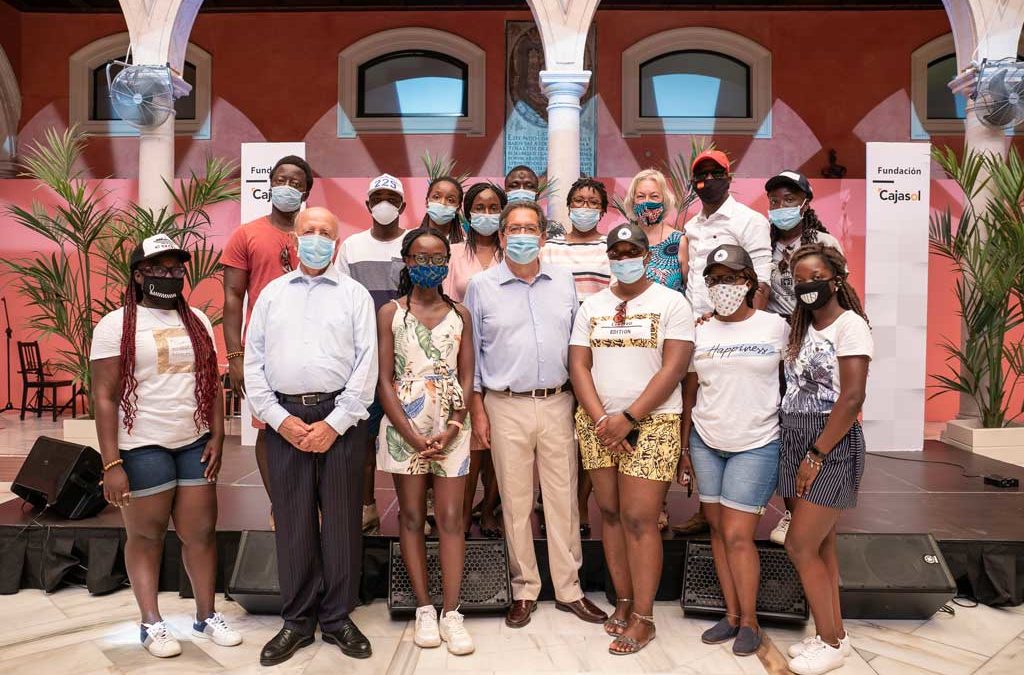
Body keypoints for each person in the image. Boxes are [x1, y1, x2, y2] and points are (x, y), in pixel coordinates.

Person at [91, 234, 242, 659]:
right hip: (140, 447)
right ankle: (151, 622)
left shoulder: (194, 318)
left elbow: (210, 384)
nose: (169, 275)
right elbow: (103, 395)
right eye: (158, 268)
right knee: (146, 536)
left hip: (191, 441)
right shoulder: (115, 325)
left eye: (176, 268)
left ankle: (205, 614)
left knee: (200, 534)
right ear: (139, 275)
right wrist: (111, 462)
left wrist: (217, 435)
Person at [465, 200, 606, 628]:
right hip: (503, 403)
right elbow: (471, 354)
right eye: (515, 229)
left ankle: (569, 589)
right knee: (515, 501)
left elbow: (581, 346)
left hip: (559, 401)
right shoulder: (481, 286)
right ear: (502, 236)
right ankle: (525, 588)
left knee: (562, 499)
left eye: (531, 229)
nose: (523, 236)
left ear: (543, 237)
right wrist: (477, 410)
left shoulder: (564, 282)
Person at [246, 207, 378, 666]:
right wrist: (278, 419)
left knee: (342, 521)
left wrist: (335, 423)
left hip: (340, 416)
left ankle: (339, 617)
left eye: (326, 232)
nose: (317, 239)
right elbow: (253, 363)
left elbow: (367, 365)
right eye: (310, 232)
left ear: (336, 243)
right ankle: (297, 621)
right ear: (295, 240)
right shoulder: (271, 295)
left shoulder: (355, 295)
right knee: (294, 522)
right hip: (285, 417)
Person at [569, 222, 694, 655]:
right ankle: (623, 601)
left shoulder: (671, 302)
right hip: (598, 423)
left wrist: (630, 417)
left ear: (645, 254)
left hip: (653, 422)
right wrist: (605, 418)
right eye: (616, 252)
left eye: (631, 250)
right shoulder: (592, 306)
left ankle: (644, 617)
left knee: (641, 518)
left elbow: (673, 368)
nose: (623, 259)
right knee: (610, 512)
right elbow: (579, 366)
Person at [679, 244, 788, 657]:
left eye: (730, 278)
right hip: (706, 441)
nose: (721, 286)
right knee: (720, 534)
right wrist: (685, 449)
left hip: (756, 442)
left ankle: (751, 620)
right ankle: (731, 614)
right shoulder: (699, 330)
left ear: (748, 282)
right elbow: (690, 392)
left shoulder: (774, 327)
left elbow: (792, 382)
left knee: (740, 536)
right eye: (714, 279)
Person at [377, 228, 476, 656]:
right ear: (407, 261)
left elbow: (468, 376)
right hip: (405, 428)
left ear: (447, 264)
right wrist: (411, 434)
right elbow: (383, 380)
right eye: (420, 257)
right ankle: (424, 608)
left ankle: (452, 612)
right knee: (413, 516)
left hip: (452, 426)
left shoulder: (462, 314)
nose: (429, 265)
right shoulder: (390, 313)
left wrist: (453, 425)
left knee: (452, 517)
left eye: (438, 258)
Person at [777, 244, 871, 675]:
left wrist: (816, 453)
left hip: (828, 441)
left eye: (815, 275)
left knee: (798, 544)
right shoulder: (798, 326)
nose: (806, 284)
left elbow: (851, 398)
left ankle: (831, 642)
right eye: (799, 279)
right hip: (795, 434)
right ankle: (834, 633)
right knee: (822, 544)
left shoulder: (850, 325)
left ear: (836, 278)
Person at [674, 151, 772, 538]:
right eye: (701, 175)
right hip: (698, 329)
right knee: (697, 405)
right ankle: (707, 502)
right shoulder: (693, 226)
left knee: (734, 408)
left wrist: (747, 325)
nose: (708, 180)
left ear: (729, 179)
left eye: (716, 174)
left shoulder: (750, 220)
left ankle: (735, 503)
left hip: (736, 327)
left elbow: (760, 278)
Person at [222, 155, 312, 527]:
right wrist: (235, 356)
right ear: (269, 184)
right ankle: (280, 505)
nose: (288, 187)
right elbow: (231, 298)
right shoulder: (247, 234)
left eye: (296, 182)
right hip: (264, 350)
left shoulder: (315, 234)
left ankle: (309, 504)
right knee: (268, 428)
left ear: (307, 190)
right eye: (281, 179)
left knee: (311, 425)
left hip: (312, 346)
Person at [762, 170, 845, 547]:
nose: (781, 207)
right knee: (781, 429)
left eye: (789, 199)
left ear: (806, 202)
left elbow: (839, 294)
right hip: (775, 340)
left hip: (810, 340)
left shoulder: (824, 243)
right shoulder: (763, 242)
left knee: (807, 425)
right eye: (775, 200)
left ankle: (812, 509)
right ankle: (787, 508)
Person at [541, 177, 613, 539]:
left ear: (603, 209)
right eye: (579, 201)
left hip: (598, 352)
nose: (585, 207)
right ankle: (552, 500)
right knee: (556, 433)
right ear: (568, 207)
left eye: (592, 202)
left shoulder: (610, 249)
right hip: (556, 349)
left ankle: (581, 502)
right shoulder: (550, 248)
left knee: (586, 431)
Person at [335, 173, 406, 535]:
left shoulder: (413, 244)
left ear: (404, 207)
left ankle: (415, 506)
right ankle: (366, 506)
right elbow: (341, 299)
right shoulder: (351, 246)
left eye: (392, 199)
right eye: (378, 198)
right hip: (363, 359)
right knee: (361, 438)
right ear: (367, 205)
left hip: (406, 361)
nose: (384, 205)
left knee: (408, 433)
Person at [444, 182, 507, 539]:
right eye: (479, 207)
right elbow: (448, 303)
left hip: (502, 356)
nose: (486, 213)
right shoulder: (452, 254)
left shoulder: (512, 252)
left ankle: (489, 511)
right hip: (462, 356)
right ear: (467, 212)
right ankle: (464, 513)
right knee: (470, 442)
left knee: (498, 443)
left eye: (493, 206)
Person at [624, 169, 687, 294]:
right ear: (632, 201)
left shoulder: (679, 242)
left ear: (664, 200)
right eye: (641, 196)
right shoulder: (624, 241)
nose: (647, 202)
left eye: (654, 196)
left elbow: (690, 289)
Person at [504, 164, 564, 238]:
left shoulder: (554, 229)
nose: (521, 190)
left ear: (537, 195)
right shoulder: (496, 227)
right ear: (505, 193)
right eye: (514, 186)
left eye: (529, 186)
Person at [420, 175, 465, 244]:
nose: (442, 203)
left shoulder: (465, 247)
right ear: (427, 201)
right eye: (436, 197)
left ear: (458, 208)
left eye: (450, 200)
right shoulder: (410, 239)